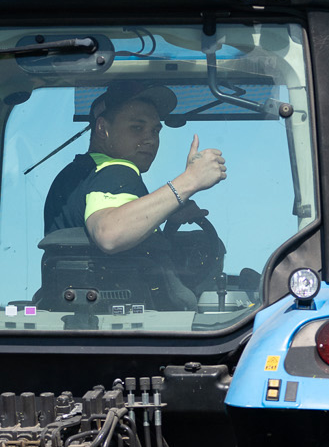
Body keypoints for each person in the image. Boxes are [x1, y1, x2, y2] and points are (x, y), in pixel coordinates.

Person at [42, 79, 228, 307]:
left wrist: (167, 224)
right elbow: (110, 234)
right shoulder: (116, 170)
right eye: (137, 127)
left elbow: (123, 258)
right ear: (103, 129)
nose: (150, 139)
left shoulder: (74, 175)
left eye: (155, 130)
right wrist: (189, 181)